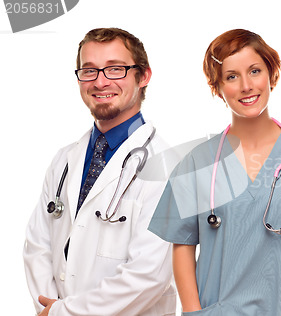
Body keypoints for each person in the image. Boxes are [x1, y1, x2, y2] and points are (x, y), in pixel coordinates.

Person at [148, 29, 281, 316]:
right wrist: (195, 313)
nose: (246, 85)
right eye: (231, 76)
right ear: (218, 87)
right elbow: (182, 246)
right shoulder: (198, 162)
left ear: (271, 74)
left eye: (254, 71)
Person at [23, 28, 176, 316]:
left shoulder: (167, 167)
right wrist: (50, 308)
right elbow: (37, 247)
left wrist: (64, 313)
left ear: (143, 76)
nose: (100, 81)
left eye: (115, 69)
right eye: (89, 71)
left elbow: (149, 275)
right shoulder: (64, 161)